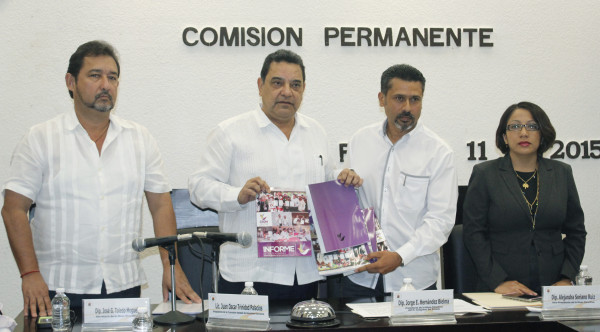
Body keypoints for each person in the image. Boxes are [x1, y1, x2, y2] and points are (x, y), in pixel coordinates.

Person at [1, 40, 200, 317]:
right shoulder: (40, 138)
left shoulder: (139, 139)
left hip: (122, 286)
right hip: (55, 288)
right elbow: (13, 209)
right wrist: (29, 273)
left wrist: (171, 266)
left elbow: (161, 206)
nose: (105, 84)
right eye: (95, 75)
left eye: (112, 77)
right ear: (71, 82)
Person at [188, 49, 361, 299]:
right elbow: (198, 187)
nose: (287, 92)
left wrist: (343, 178)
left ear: (303, 90)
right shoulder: (230, 132)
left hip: (306, 273)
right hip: (249, 274)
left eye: (295, 85)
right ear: (260, 85)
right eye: (277, 83)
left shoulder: (316, 132)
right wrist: (237, 195)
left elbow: (325, 180)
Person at [331, 64, 457, 297]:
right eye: (399, 98)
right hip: (359, 275)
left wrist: (400, 256)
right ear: (382, 99)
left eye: (415, 99)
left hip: (413, 280)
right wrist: (343, 181)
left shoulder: (439, 152)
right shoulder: (360, 140)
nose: (407, 107)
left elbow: (441, 221)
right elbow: (351, 203)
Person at [463, 101, 586, 295]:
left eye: (532, 126)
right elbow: (473, 233)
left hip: (553, 285)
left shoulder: (561, 173)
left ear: (542, 133)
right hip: (501, 286)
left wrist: (566, 277)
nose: (523, 133)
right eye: (515, 126)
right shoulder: (485, 174)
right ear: (504, 136)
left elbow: (577, 231)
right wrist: (497, 281)